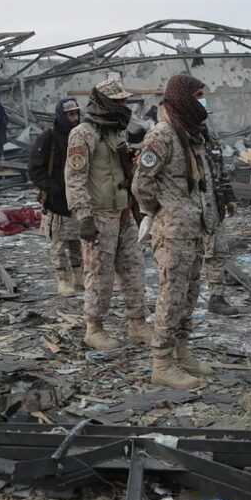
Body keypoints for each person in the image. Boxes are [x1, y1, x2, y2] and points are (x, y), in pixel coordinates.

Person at [132, 74, 217, 390]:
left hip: (192, 228)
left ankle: (182, 352)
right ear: (182, 98)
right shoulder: (163, 136)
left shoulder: (189, 133)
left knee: (190, 294)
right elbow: (141, 184)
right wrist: (160, 211)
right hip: (173, 232)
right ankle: (162, 362)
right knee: (171, 297)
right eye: (197, 95)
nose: (202, 100)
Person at [65, 80, 153, 350]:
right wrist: (84, 217)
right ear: (105, 104)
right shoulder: (83, 134)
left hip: (123, 212)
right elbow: (75, 177)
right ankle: (94, 327)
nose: (125, 107)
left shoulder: (117, 132)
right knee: (99, 274)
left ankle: (137, 323)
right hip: (99, 215)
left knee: (133, 269)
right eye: (120, 103)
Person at [28, 97, 84, 297]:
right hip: (56, 202)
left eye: (76, 114)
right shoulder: (48, 138)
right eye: (70, 115)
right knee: (59, 243)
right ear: (61, 116)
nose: (74, 119)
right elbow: (35, 170)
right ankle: (63, 279)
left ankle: (79, 276)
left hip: (77, 199)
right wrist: (54, 189)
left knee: (79, 239)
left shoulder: (81, 137)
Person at [202, 124, 238, 315]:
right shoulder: (178, 140)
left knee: (217, 251)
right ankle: (179, 304)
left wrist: (229, 197)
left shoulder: (210, 141)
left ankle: (217, 297)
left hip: (214, 207)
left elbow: (221, 170)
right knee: (184, 258)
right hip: (185, 212)